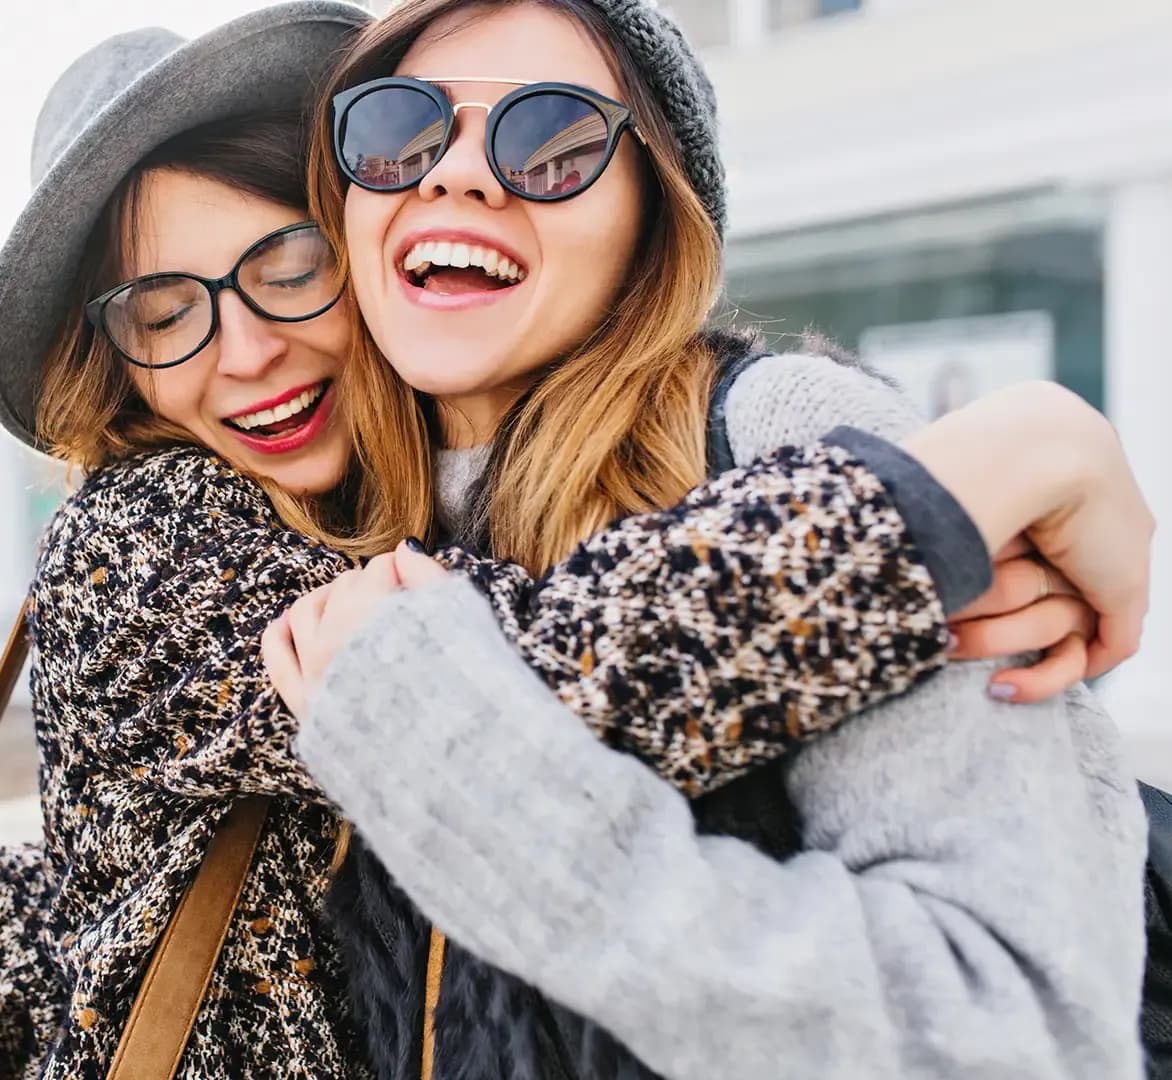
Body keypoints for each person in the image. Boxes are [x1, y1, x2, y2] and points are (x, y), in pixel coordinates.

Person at [0, 4, 1152, 1079]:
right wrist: (958, 484)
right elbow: (536, 672)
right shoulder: (154, 537)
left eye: (285, 268)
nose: (243, 353)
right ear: (113, 358)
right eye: (163, 312)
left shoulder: (729, 440)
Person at [259, 0, 1150, 1076]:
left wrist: (459, 770)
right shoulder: (321, 522)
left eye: (553, 140)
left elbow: (1021, 1031)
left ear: (654, 218)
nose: (457, 175)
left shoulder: (796, 439)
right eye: (396, 129)